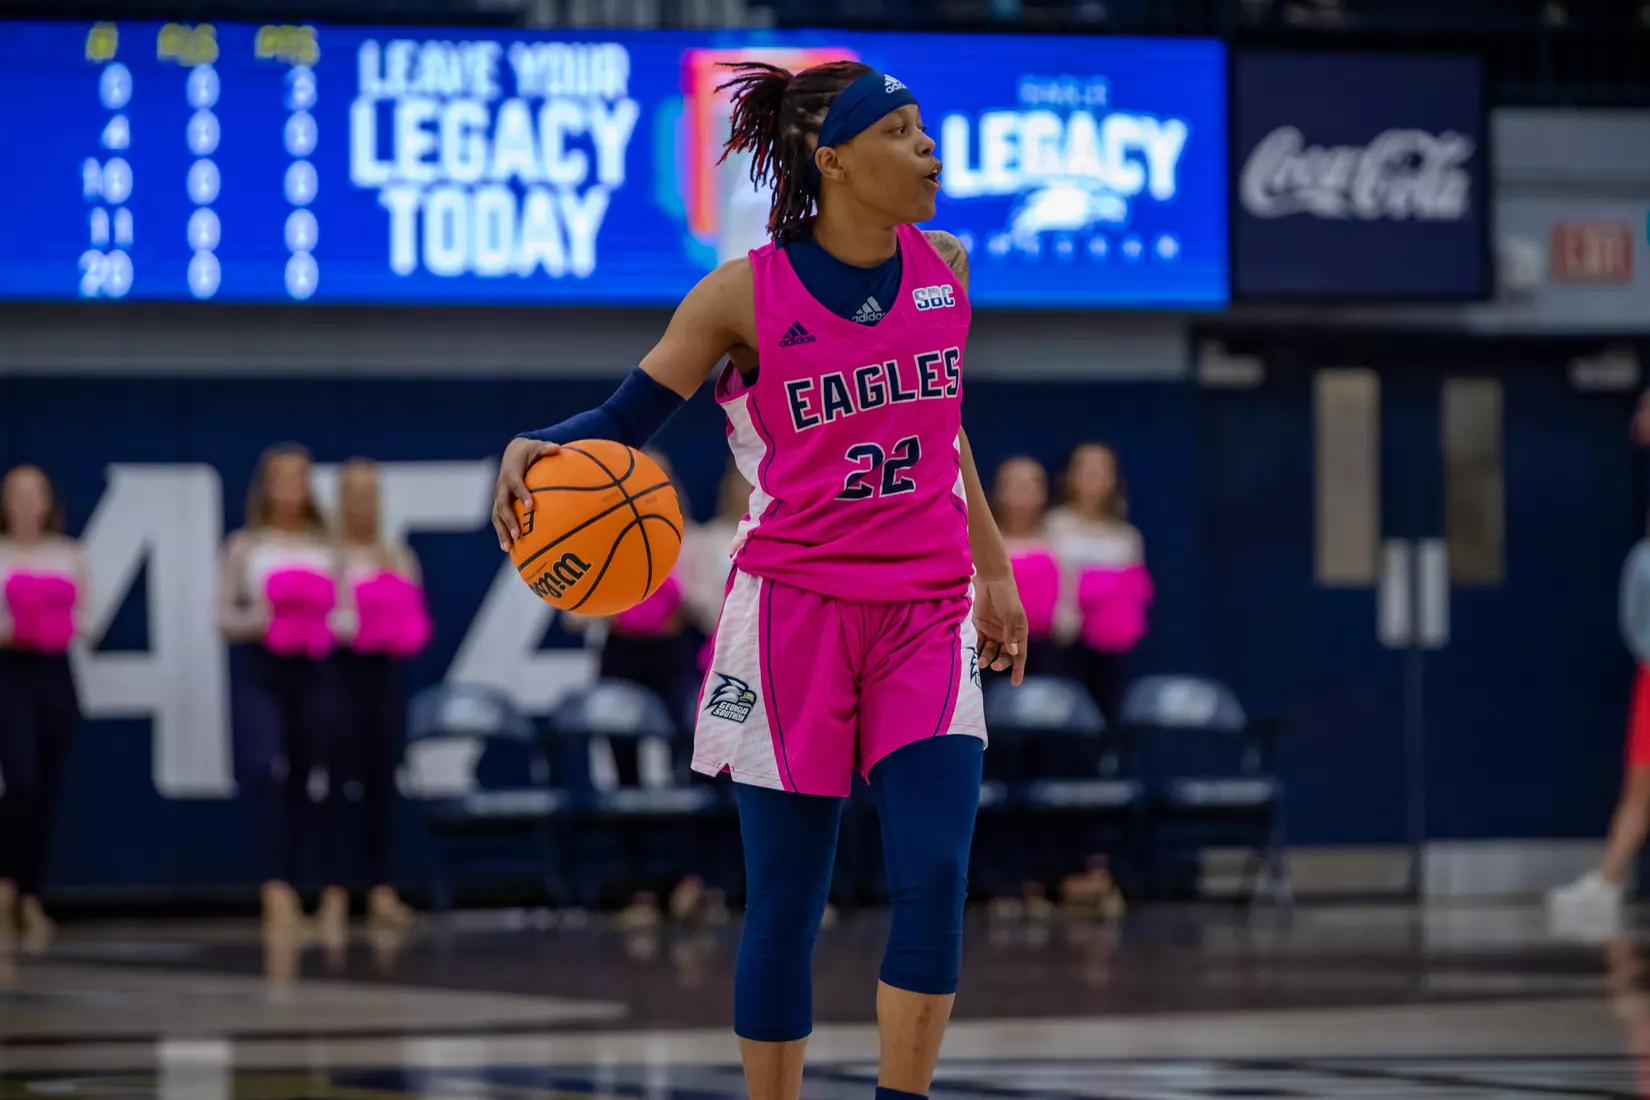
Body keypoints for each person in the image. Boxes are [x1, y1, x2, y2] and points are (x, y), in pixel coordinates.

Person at [490, 60, 1027, 1100]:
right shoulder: (742, 293)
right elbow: (626, 420)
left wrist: (993, 564)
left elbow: (942, 426)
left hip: (925, 608)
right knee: (787, 897)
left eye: (924, 128)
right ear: (833, 159)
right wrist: (537, 441)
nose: (928, 147)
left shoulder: (947, 266)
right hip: (793, 612)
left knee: (936, 877)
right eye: (900, 131)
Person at [219, 444, 338, 929]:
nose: (290, 487)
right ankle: (275, 886)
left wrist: (318, 620)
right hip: (263, 668)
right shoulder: (245, 546)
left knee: (307, 773)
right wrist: (266, 618)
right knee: (264, 766)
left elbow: (347, 614)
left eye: (299, 477)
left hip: (312, 667)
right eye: (281, 478)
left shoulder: (326, 547)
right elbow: (223, 617)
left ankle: (306, 880)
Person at [329, 458, 426, 933]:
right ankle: (334, 891)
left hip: (383, 676)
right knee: (336, 783)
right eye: (355, 494)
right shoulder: (328, 556)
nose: (363, 503)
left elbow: (415, 621)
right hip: (337, 674)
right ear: (341, 500)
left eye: (370, 494)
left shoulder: (397, 555)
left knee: (382, 784)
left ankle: (381, 887)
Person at [0, 465, 85, 939]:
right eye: (18, 494)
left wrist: (58, 623)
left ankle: (30, 892)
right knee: (22, 778)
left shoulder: (68, 554)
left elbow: (88, 616)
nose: (27, 504)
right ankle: (6, 885)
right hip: (10, 672)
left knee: (48, 786)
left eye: (36, 494)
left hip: (55, 672)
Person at [1550, 529, 1650, 922]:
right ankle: (1607, 881)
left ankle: (1607, 881)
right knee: (1639, 789)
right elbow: (1633, 623)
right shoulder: (1643, 560)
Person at [1044, 443, 1151, 724]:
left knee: (1108, 714)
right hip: (1062, 646)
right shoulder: (1053, 525)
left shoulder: (1127, 536)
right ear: (1070, 476)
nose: (1094, 476)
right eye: (1086, 469)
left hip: (1111, 652)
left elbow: (1135, 597)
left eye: (1103, 470)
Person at [991, 456, 1063, 679]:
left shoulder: (1059, 537)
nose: (1022, 489)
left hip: (1047, 648)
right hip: (993, 645)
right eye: (1013, 482)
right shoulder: (981, 541)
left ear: (1044, 492)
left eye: (1031, 483)